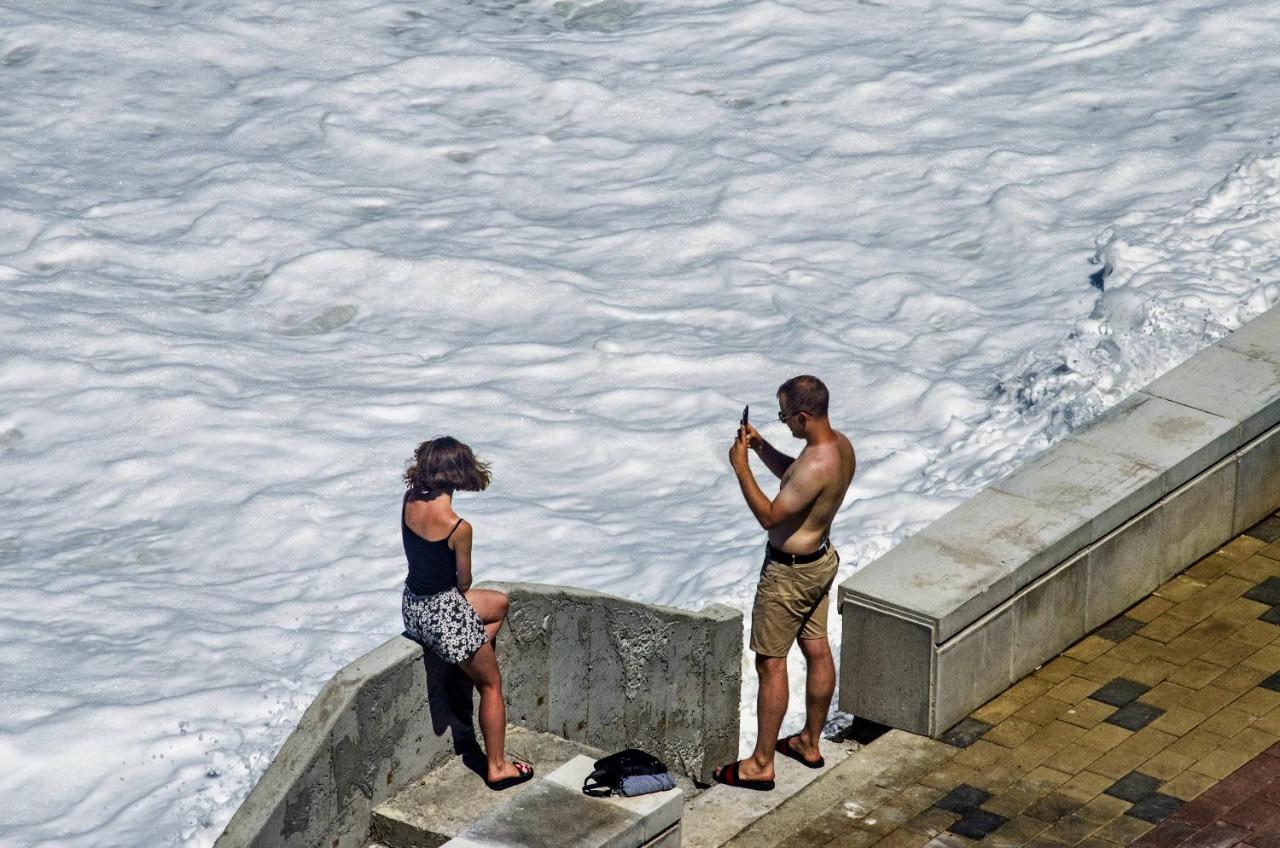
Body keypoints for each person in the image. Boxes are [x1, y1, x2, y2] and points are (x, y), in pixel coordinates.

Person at [714, 375, 856, 791]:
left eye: (785, 417)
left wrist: (740, 469)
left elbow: (772, 515)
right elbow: (794, 480)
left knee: (770, 662)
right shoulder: (838, 447)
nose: (783, 424)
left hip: (790, 575)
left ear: (804, 415)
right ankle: (810, 742)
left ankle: (760, 764)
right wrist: (759, 449)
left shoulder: (814, 465)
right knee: (816, 648)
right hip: (820, 561)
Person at [399, 436, 534, 791]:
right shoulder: (459, 527)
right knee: (491, 685)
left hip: (414, 607)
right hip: (444, 615)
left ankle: (460, 661)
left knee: (499, 604)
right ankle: (497, 767)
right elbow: (464, 582)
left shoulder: (409, 500)